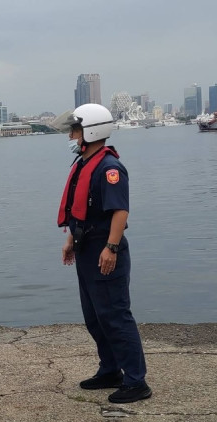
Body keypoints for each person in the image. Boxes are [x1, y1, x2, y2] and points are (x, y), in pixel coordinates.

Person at [55, 103, 152, 404]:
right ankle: (110, 370)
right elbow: (81, 210)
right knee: (95, 317)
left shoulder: (109, 169)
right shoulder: (85, 163)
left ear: (91, 130)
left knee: (115, 316)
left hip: (104, 249)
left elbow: (120, 211)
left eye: (76, 129)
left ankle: (137, 381)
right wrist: (71, 239)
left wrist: (111, 248)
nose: (71, 134)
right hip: (86, 248)